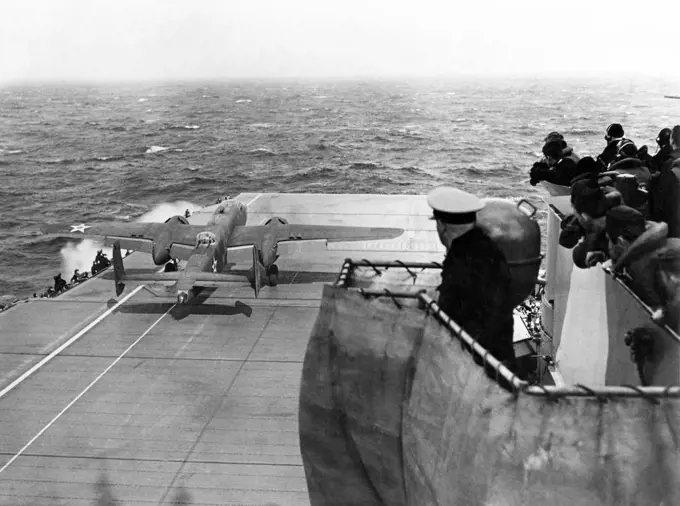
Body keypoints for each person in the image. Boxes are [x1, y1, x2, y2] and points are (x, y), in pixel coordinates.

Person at [427, 186, 519, 387]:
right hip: (496, 359)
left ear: (441, 226)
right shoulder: (486, 248)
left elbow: (450, 313)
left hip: (476, 368)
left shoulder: (462, 260)